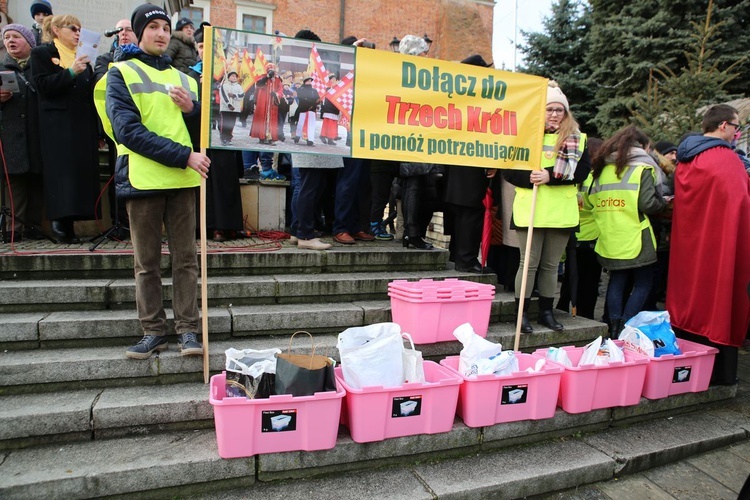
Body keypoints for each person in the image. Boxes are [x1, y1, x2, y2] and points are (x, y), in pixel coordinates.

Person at [98, 3, 210, 359]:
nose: (161, 33)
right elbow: (127, 131)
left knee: (186, 260)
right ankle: (153, 330)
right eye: (153, 27)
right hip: (144, 181)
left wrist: (192, 111)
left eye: (166, 26)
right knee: (146, 263)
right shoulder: (120, 73)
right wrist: (184, 156)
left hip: (180, 180)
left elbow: (202, 132)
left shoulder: (186, 78)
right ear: (138, 32)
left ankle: (188, 330)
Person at [667, 104, 750, 385]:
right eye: (737, 127)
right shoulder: (724, 159)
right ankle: (719, 374)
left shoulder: (687, 158)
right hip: (718, 245)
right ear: (724, 126)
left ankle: (686, 367)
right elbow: (740, 203)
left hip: (689, 246)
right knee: (717, 298)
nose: (738, 133)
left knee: (690, 295)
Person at [503, 81, 590, 333]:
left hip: (560, 213)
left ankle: (546, 312)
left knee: (551, 266)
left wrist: (550, 177)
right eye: (549, 109)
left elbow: (582, 172)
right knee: (528, 264)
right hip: (530, 209)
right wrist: (529, 179)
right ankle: (522, 314)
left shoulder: (578, 139)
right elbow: (509, 170)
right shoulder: (524, 136)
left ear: (566, 113)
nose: (554, 114)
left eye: (559, 110)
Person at [583, 126, 666, 335]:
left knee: (616, 281)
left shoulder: (600, 170)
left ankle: (613, 326)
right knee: (643, 282)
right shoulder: (641, 169)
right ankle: (627, 327)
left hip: (610, 235)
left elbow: (588, 202)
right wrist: (662, 203)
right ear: (642, 146)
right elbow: (648, 204)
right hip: (637, 234)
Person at [31, 14, 101, 243]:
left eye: (80, 28)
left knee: (80, 173)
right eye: (72, 28)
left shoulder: (84, 56)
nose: (78, 32)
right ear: (56, 30)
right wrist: (71, 72)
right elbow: (42, 85)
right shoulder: (42, 53)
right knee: (62, 174)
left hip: (82, 124)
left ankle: (75, 221)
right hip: (58, 126)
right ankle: (60, 224)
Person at [443, 54, 496, 273]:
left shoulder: (454, 95)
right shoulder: (476, 99)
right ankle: (466, 260)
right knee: (470, 212)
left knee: (461, 212)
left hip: (456, 163)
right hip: (470, 163)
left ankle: (459, 255)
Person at [0, 24, 44, 241]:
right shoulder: (1, 68)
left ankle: (34, 226)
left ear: (29, 42)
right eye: (7, 37)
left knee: (37, 180)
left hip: (37, 133)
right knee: (14, 183)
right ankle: (13, 229)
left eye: (16, 36)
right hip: (11, 135)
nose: (10, 41)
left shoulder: (39, 67)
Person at [398, 35, 439, 251]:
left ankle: (416, 234)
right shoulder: (407, 76)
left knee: (426, 190)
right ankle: (412, 234)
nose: (427, 56)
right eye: (424, 53)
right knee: (413, 187)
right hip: (411, 138)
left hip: (425, 139)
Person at [250, 63, 283, 145]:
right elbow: (258, 85)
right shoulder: (263, 77)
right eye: (270, 70)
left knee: (272, 120)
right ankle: (262, 137)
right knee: (261, 118)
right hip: (263, 102)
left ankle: (270, 137)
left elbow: (280, 90)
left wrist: (276, 94)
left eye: (273, 70)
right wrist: (267, 77)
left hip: (272, 103)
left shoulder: (277, 80)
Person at [293, 75, 319, 146]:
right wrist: (309, 103)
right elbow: (301, 98)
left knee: (311, 125)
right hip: (303, 109)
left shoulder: (314, 90)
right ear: (305, 82)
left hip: (312, 110)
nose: (309, 82)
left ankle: (310, 140)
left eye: (310, 81)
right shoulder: (300, 90)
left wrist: (317, 102)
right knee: (301, 124)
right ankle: (298, 136)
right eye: (307, 81)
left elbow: (317, 99)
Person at [219, 71, 243, 145]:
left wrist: (234, 95)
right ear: (228, 77)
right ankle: (223, 138)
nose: (234, 77)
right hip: (226, 108)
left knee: (231, 124)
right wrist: (228, 104)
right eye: (232, 76)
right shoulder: (224, 85)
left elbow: (242, 95)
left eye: (235, 76)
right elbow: (224, 96)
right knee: (225, 123)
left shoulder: (238, 86)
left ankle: (229, 138)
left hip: (235, 109)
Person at [319, 73, 340, 145]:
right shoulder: (328, 89)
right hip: (329, 108)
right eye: (332, 79)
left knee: (333, 124)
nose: (334, 80)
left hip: (334, 109)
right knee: (328, 124)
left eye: (334, 79)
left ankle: (330, 138)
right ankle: (325, 136)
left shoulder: (337, 89)